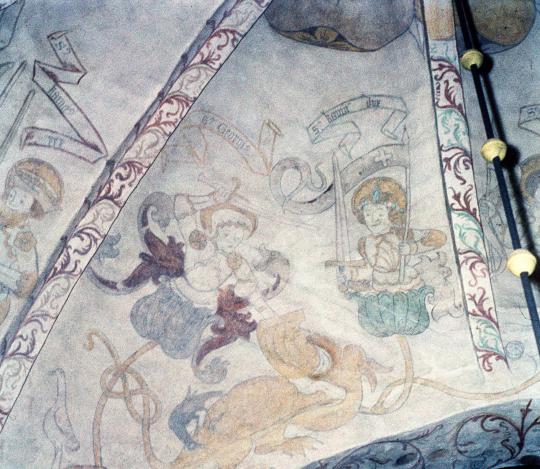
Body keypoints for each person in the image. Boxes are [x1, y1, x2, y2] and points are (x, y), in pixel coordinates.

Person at [351, 177, 446, 292]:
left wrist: (413, 248)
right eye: (368, 214)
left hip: (406, 285)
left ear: (392, 214)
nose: (373, 219)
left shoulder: (402, 234)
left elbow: (439, 238)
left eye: (380, 214)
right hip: (379, 288)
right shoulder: (364, 242)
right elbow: (367, 266)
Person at [0, 158, 63, 324]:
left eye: (21, 200)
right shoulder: (3, 222)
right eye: (12, 195)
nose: (12, 201)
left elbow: (25, 283)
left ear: (31, 209)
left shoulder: (23, 240)